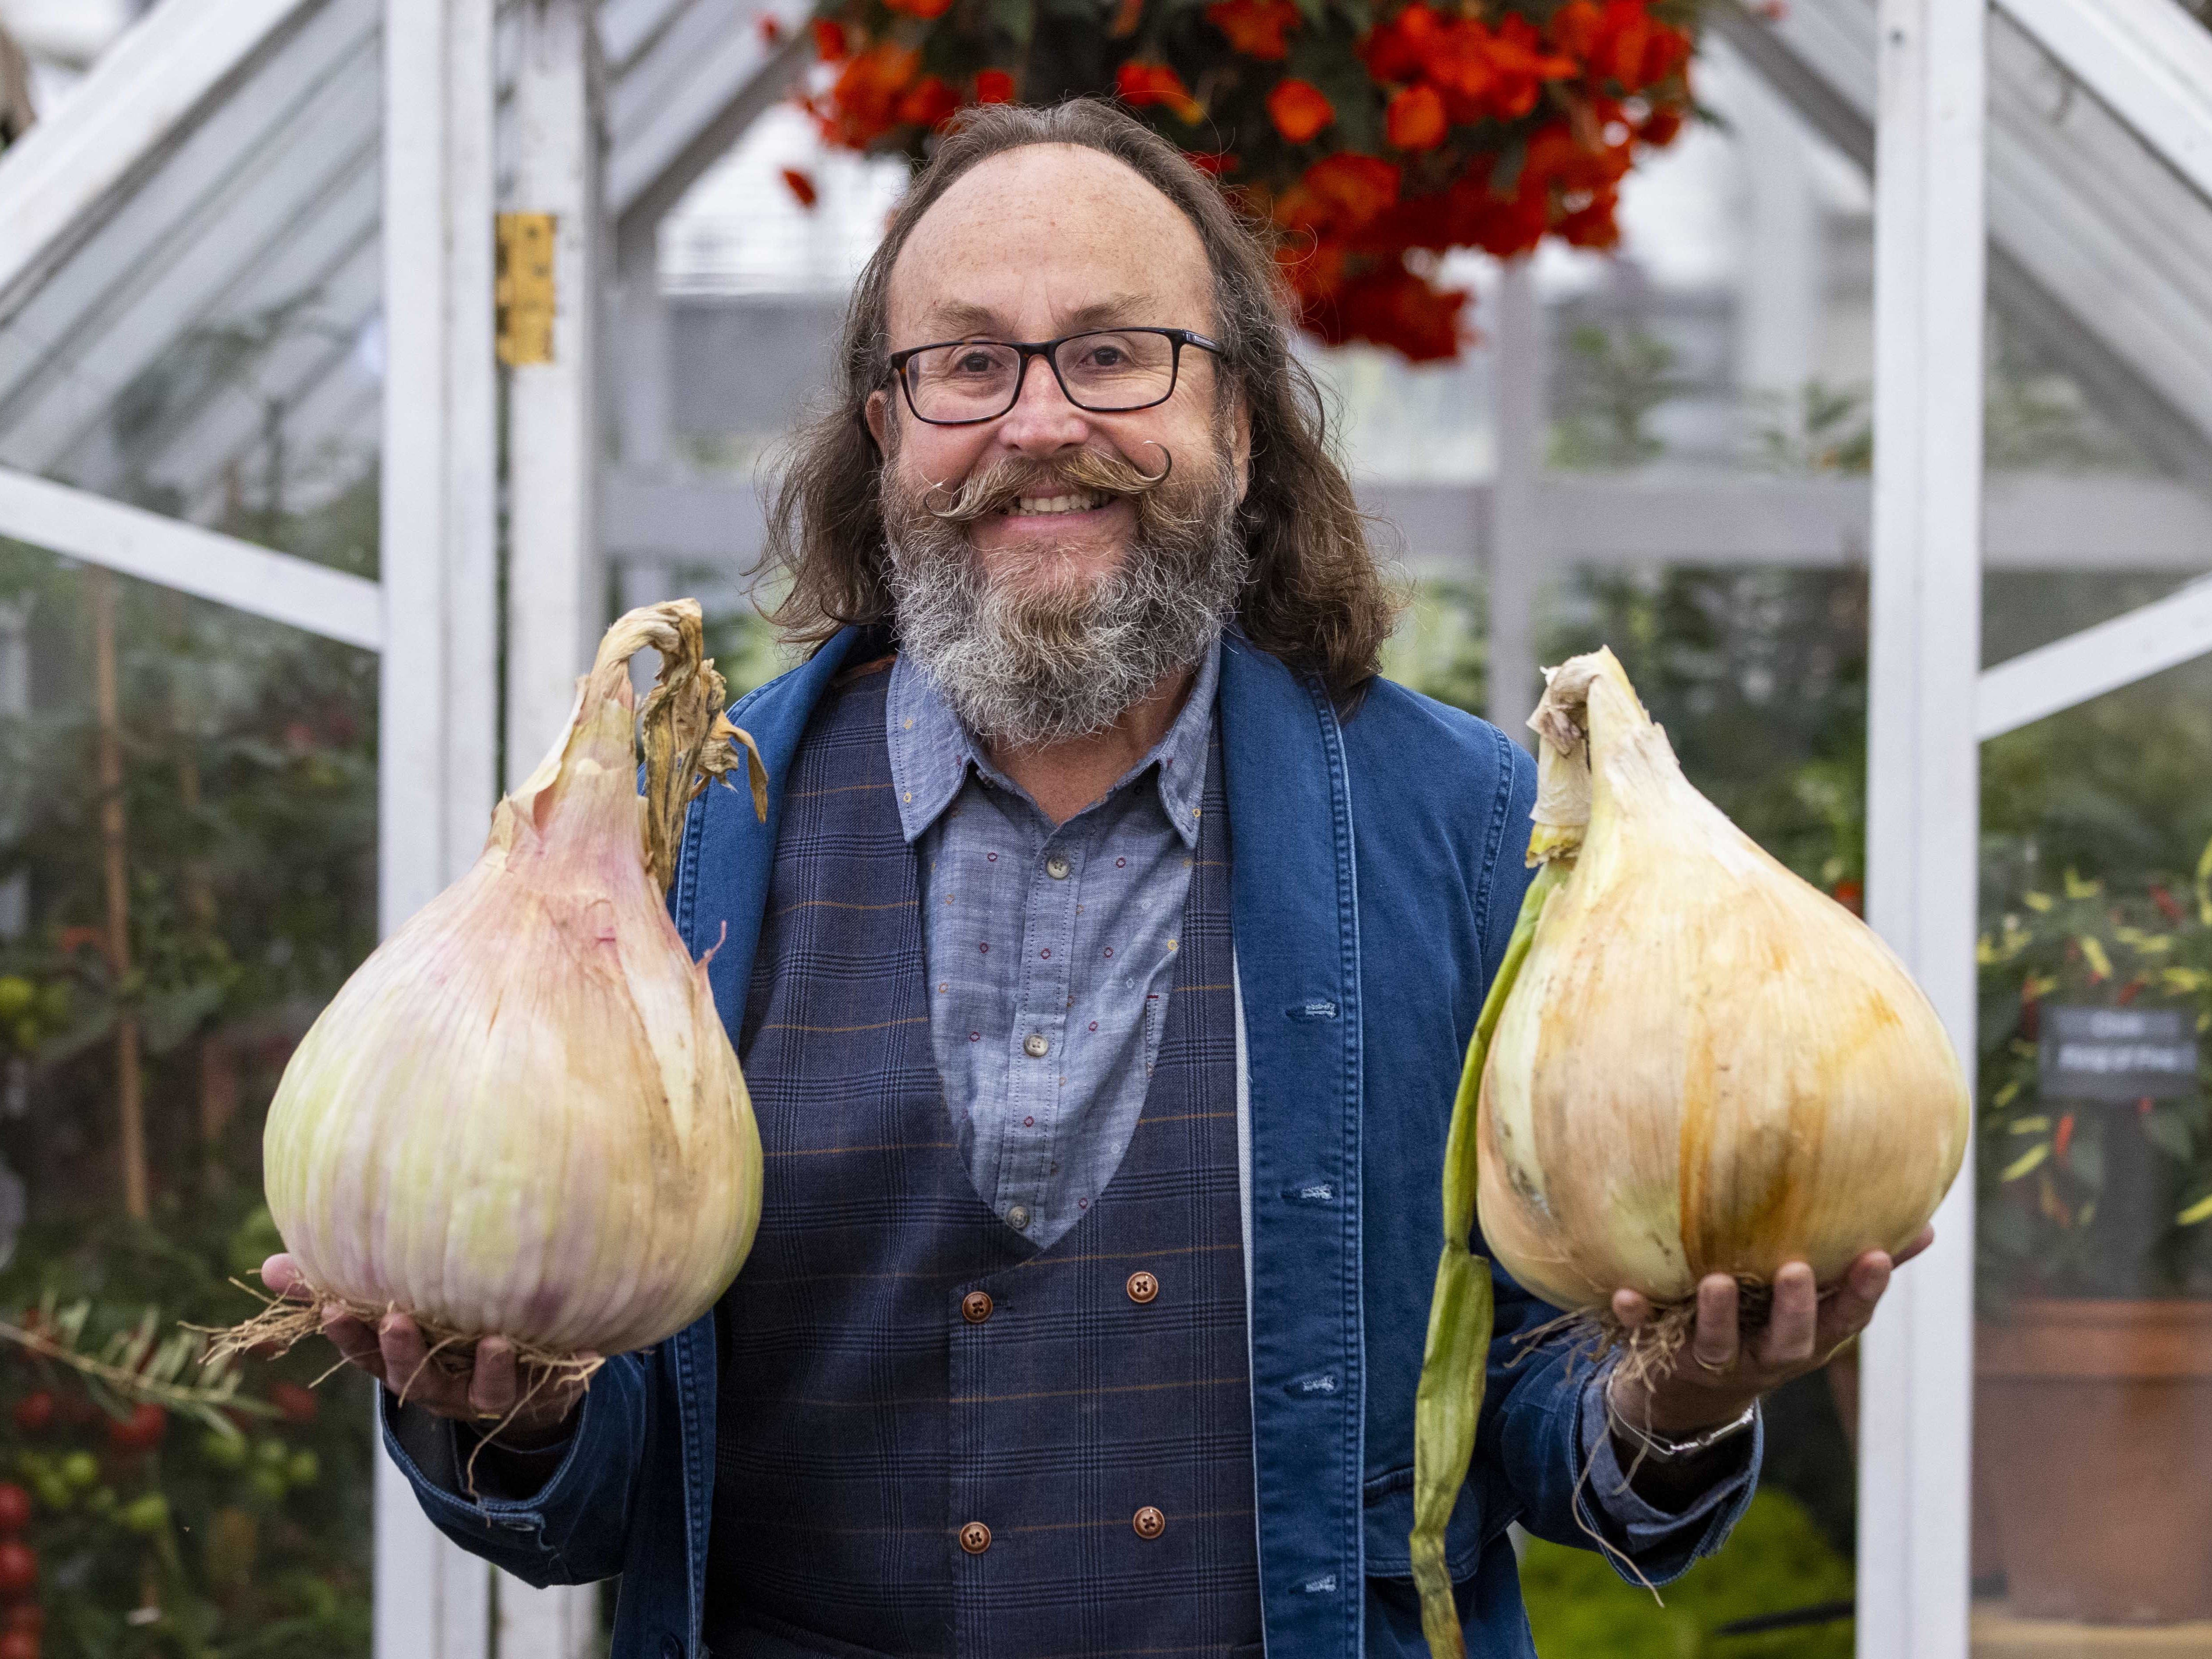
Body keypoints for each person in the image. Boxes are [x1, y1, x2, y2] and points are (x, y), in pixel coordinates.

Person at [265, 97, 1927, 1659]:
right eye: (968, 364)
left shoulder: (1474, 829)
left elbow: (1537, 1427)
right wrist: (510, 1403)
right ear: (885, 429)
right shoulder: (678, 842)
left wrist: (1672, 1402)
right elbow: (607, 1492)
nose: (1040, 422)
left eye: (1116, 356)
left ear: (1238, 421)